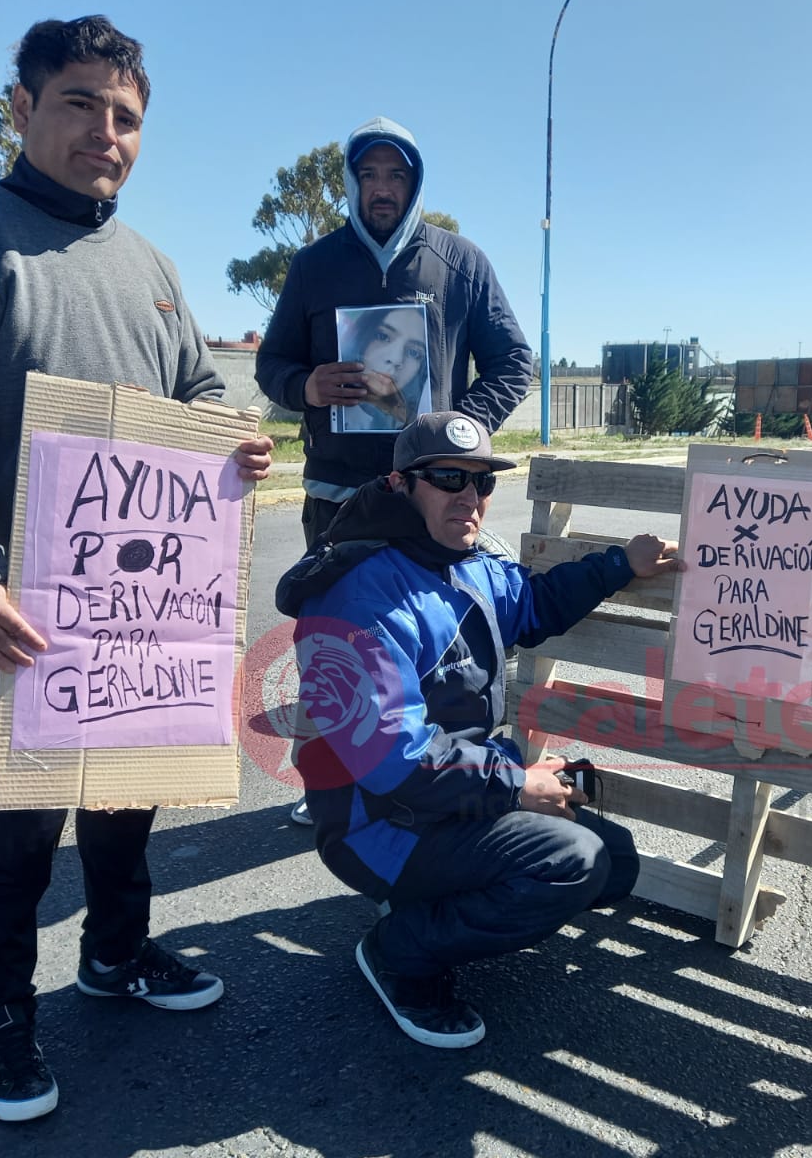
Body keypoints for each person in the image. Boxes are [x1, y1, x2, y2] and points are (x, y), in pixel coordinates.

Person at [0, 15, 274, 1124]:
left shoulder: (149, 266)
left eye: (127, 117)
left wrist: (228, 438)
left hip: (142, 610)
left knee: (130, 792)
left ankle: (117, 951)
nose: (106, 133)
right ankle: (1, 1015)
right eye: (80, 104)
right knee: (18, 824)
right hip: (20, 608)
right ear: (22, 108)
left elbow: (195, 391)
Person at [275, 411, 681, 1048]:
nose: (469, 497)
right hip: (376, 822)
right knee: (573, 864)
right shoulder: (356, 594)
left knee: (617, 862)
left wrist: (620, 564)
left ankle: (425, 905)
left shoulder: (466, 563)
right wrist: (516, 785)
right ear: (402, 483)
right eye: (447, 478)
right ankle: (399, 952)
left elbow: (536, 604)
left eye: (482, 483)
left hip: (444, 802)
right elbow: (393, 760)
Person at [256, 115, 533, 826]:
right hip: (336, 494)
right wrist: (308, 386)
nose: (383, 188)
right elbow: (272, 364)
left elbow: (513, 363)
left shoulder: (460, 262)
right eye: (369, 174)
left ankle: (420, 783)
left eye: (397, 175)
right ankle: (327, 786)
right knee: (329, 645)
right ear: (351, 181)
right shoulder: (316, 265)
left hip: (425, 495)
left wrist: (457, 440)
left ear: (415, 183)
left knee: (422, 642)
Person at [333, 304, 431, 431]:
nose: (396, 359)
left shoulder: (421, 424)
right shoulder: (334, 409)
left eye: (413, 352)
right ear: (362, 336)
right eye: (383, 336)